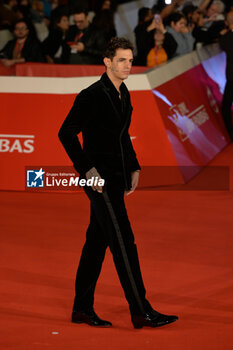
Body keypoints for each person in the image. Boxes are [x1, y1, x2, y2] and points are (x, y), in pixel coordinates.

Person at [58, 37, 178, 329]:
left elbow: (122, 135)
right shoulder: (92, 95)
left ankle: (82, 308)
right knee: (124, 242)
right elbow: (66, 133)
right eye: (122, 60)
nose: (128, 65)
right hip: (100, 181)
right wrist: (87, 170)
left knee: (96, 244)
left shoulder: (123, 92)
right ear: (107, 62)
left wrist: (133, 166)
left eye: (130, 59)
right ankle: (141, 311)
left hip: (116, 176)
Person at [219, 11, 233, 141]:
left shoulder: (226, 38)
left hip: (232, 78)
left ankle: (231, 134)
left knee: (226, 106)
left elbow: (224, 45)